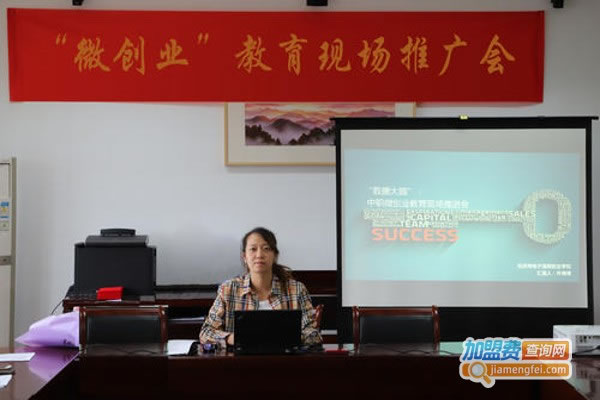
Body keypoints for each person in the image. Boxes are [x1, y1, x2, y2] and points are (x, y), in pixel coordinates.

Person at [199, 227, 322, 348]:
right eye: (253, 249)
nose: (259, 255)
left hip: (283, 359)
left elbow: (313, 334)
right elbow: (206, 332)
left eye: (266, 249)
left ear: (275, 256)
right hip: (240, 360)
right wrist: (232, 338)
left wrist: (282, 337)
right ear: (244, 257)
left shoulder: (296, 290)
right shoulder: (228, 289)